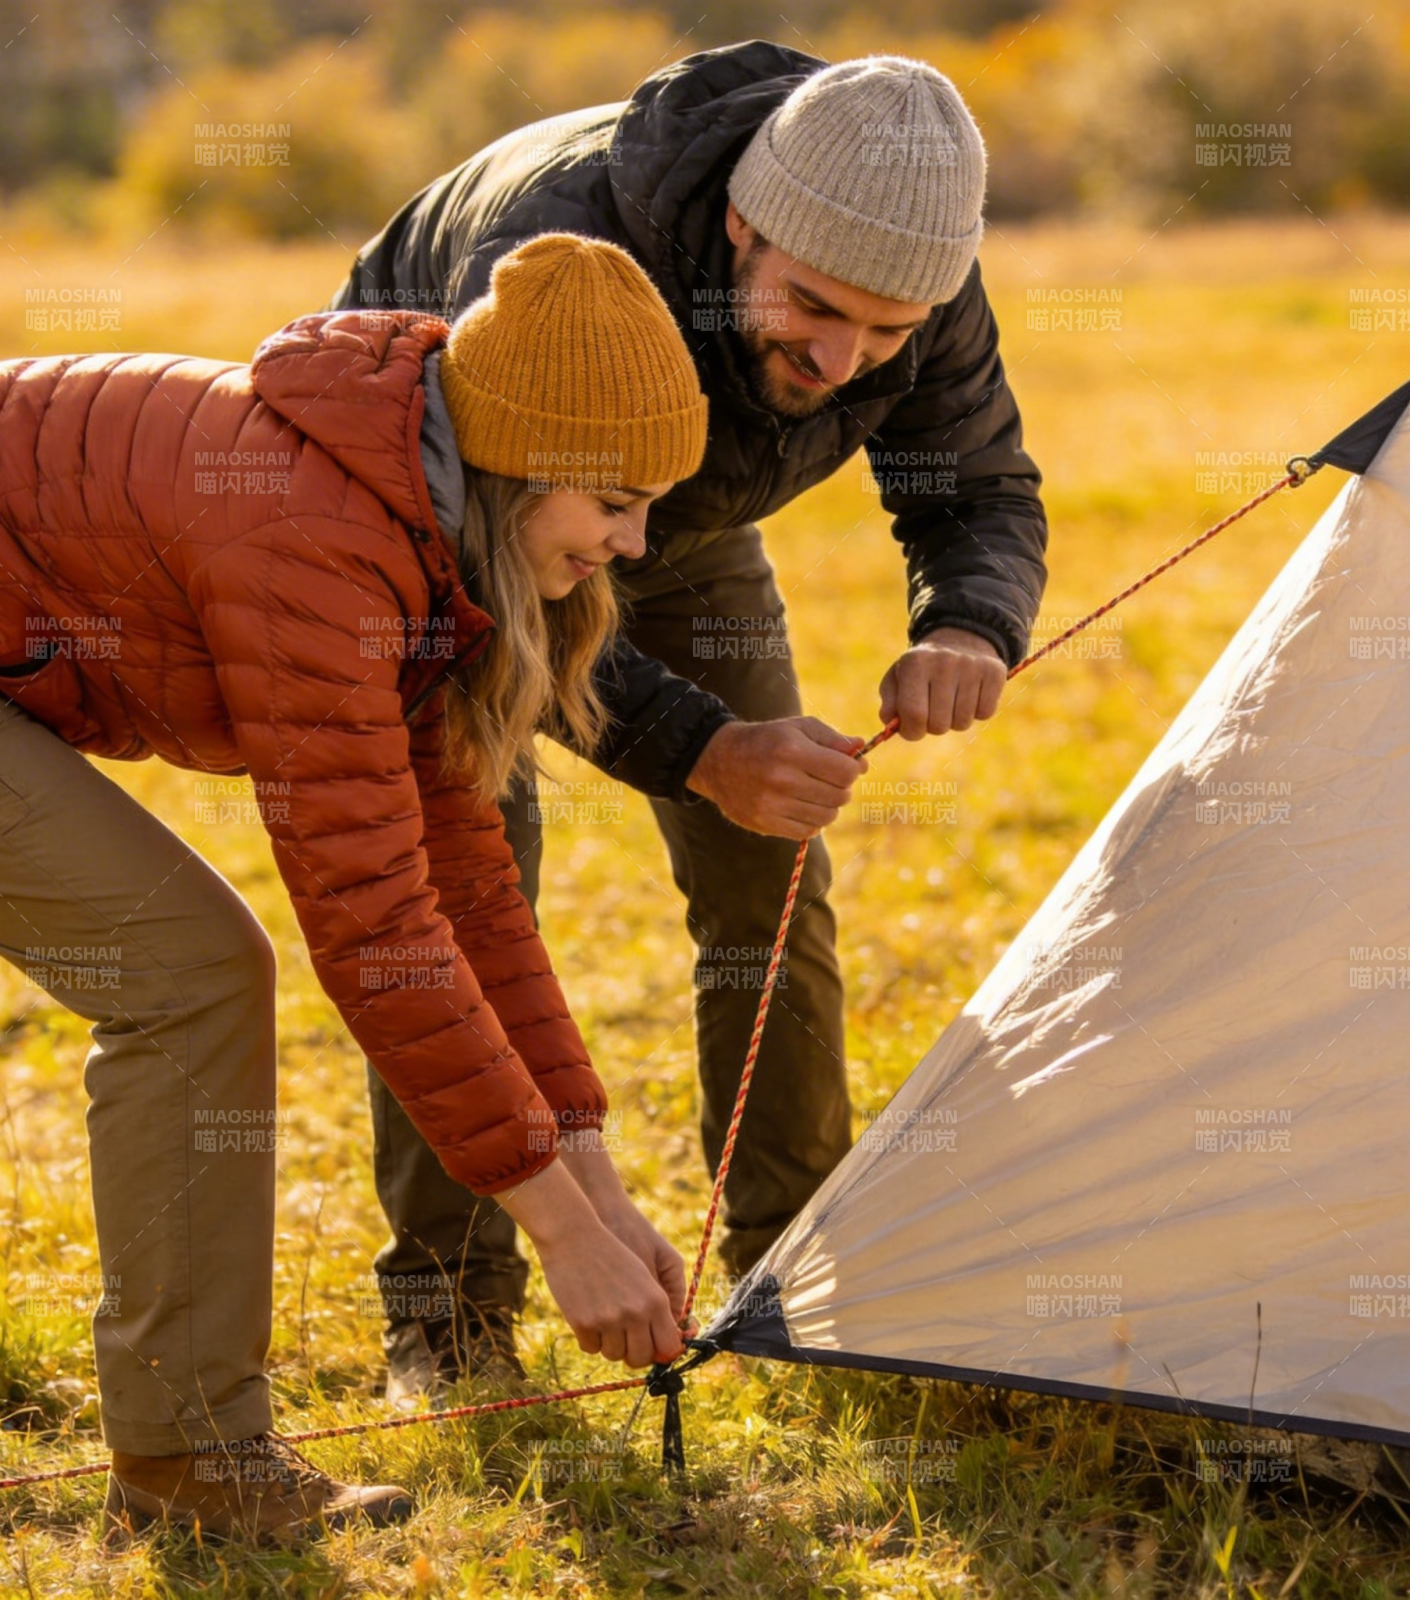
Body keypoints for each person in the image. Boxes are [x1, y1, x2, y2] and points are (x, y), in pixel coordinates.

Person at [0, 233, 715, 1544]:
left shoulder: (412, 523)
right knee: (191, 977)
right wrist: (561, 1237)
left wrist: (600, 1186)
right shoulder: (315, 540)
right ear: (515, 467)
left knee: (195, 968)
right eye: (613, 500)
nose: (629, 542)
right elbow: (375, 924)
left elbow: (461, 883)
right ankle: (193, 1467)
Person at [331, 44, 1049, 1404]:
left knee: (768, 861)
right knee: (467, 898)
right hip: (451, 517)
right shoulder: (558, 252)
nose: (843, 361)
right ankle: (451, 1325)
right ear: (741, 224)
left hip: (682, 513)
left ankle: (797, 1269)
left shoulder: (913, 269)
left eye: (886, 336)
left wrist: (969, 624)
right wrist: (705, 750)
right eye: (814, 310)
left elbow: (981, 494)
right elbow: (495, 601)